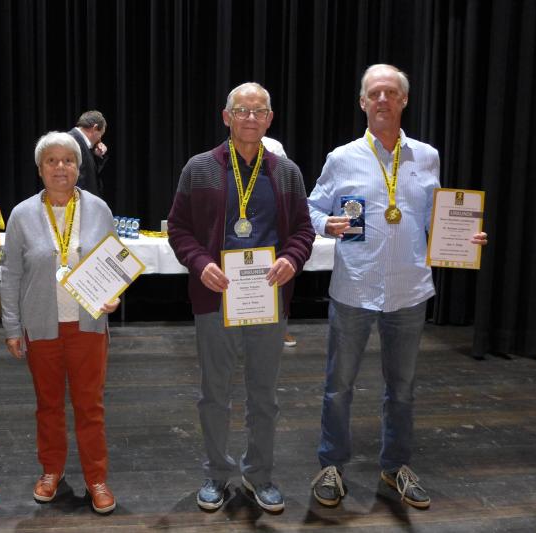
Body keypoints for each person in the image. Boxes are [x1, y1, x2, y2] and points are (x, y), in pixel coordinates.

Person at [308, 64, 488, 509]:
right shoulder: (341, 157)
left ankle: (395, 467)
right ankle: (331, 465)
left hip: (409, 290)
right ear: (363, 102)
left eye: (391, 92)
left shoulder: (427, 156)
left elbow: (433, 217)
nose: (383, 99)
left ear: (404, 100)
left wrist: (463, 238)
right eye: (375, 93)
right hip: (354, 287)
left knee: (402, 388)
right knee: (339, 386)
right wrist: (325, 224)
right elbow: (310, 208)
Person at [167, 82, 315, 512]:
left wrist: (291, 258)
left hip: (268, 299)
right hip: (215, 299)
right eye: (242, 110)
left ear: (270, 119)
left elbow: (303, 231)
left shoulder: (287, 172)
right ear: (226, 116)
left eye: (259, 111)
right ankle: (216, 473)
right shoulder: (199, 168)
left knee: (264, 396)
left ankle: (259, 475)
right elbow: (178, 228)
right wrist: (200, 263)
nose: (250, 118)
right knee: (214, 394)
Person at [0, 131, 120, 514]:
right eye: (51, 161)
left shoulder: (99, 209)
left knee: (90, 406)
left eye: (68, 160)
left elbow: (114, 261)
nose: (60, 167)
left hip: (88, 326)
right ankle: (51, 470)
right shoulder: (22, 215)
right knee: (48, 405)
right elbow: (11, 275)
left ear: (78, 167)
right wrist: (12, 328)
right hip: (41, 327)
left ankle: (96, 478)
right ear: (40, 169)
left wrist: (115, 294)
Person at [261, 137, 298, 349]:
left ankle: (281, 328)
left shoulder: (274, 146)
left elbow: (284, 174)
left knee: (279, 279)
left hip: (274, 228)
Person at [68, 110, 108, 198]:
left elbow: (89, 175)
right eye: (100, 134)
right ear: (95, 128)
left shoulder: (83, 143)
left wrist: (97, 156)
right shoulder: (70, 141)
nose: (100, 139)